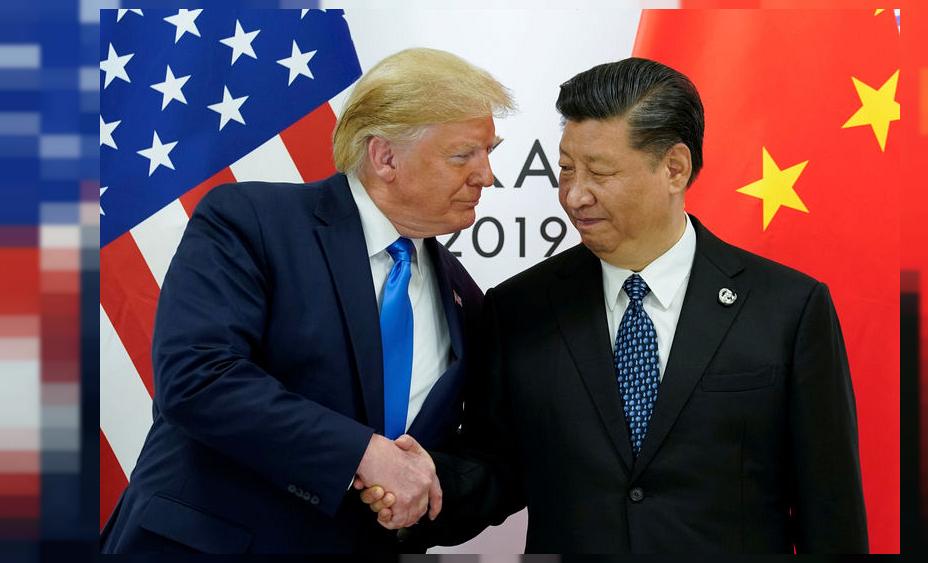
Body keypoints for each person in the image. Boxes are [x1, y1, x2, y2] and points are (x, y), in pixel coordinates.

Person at [364, 57, 869, 553]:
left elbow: (830, 508)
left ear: (674, 168)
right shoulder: (520, 308)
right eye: (565, 169)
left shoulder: (788, 308)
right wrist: (418, 490)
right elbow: (495, 469)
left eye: (600, 173)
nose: (575, 196)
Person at [99, 47, 513, 554]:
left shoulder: (466, 298)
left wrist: (423, 484)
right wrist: (363, 454)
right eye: (463, 155)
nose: (486, 175)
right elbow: (197, 375)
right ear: (385, 157)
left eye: (489, 152)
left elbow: (477, 458)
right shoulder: (251, 221)